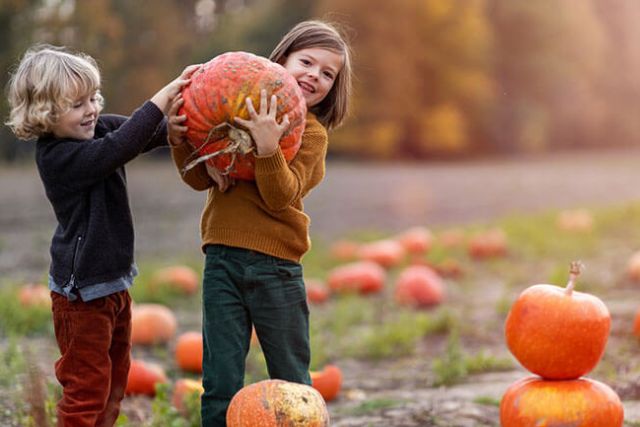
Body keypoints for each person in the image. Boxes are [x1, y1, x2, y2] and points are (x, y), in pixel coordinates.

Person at [168, 20, 353, 425]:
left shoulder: (313, 135)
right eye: (306, 61)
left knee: (291, 375)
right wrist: (180, 141)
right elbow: (199, 178)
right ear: (282, 59)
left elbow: (282, 195)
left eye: (327, 74)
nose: (314, 75)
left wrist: (268, 148)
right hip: (222, 262)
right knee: (220, 378)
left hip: (278, 269)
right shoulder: (234, 106)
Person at [5, 44, 199, 427]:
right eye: (77, 104)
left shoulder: (97, 128)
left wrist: (170, 132)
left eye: (93, 97)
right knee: (86, 388)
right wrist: (160, 100)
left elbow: (136, 133)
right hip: (81, 298)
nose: (92, 109)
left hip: (113, 286)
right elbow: (120, 146)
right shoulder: (58, 157)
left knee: (114, 379)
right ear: (45, 113)